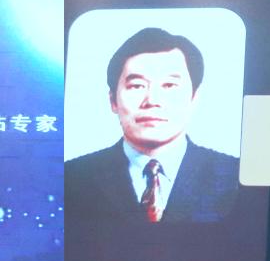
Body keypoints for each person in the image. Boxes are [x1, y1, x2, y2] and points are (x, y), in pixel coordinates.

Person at [65, 27, 238, 224]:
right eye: (137, 86)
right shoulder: (73, 178)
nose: (152, 100)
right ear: (113, 100)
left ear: (193, 98)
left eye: (169, 85)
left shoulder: (233, 175)